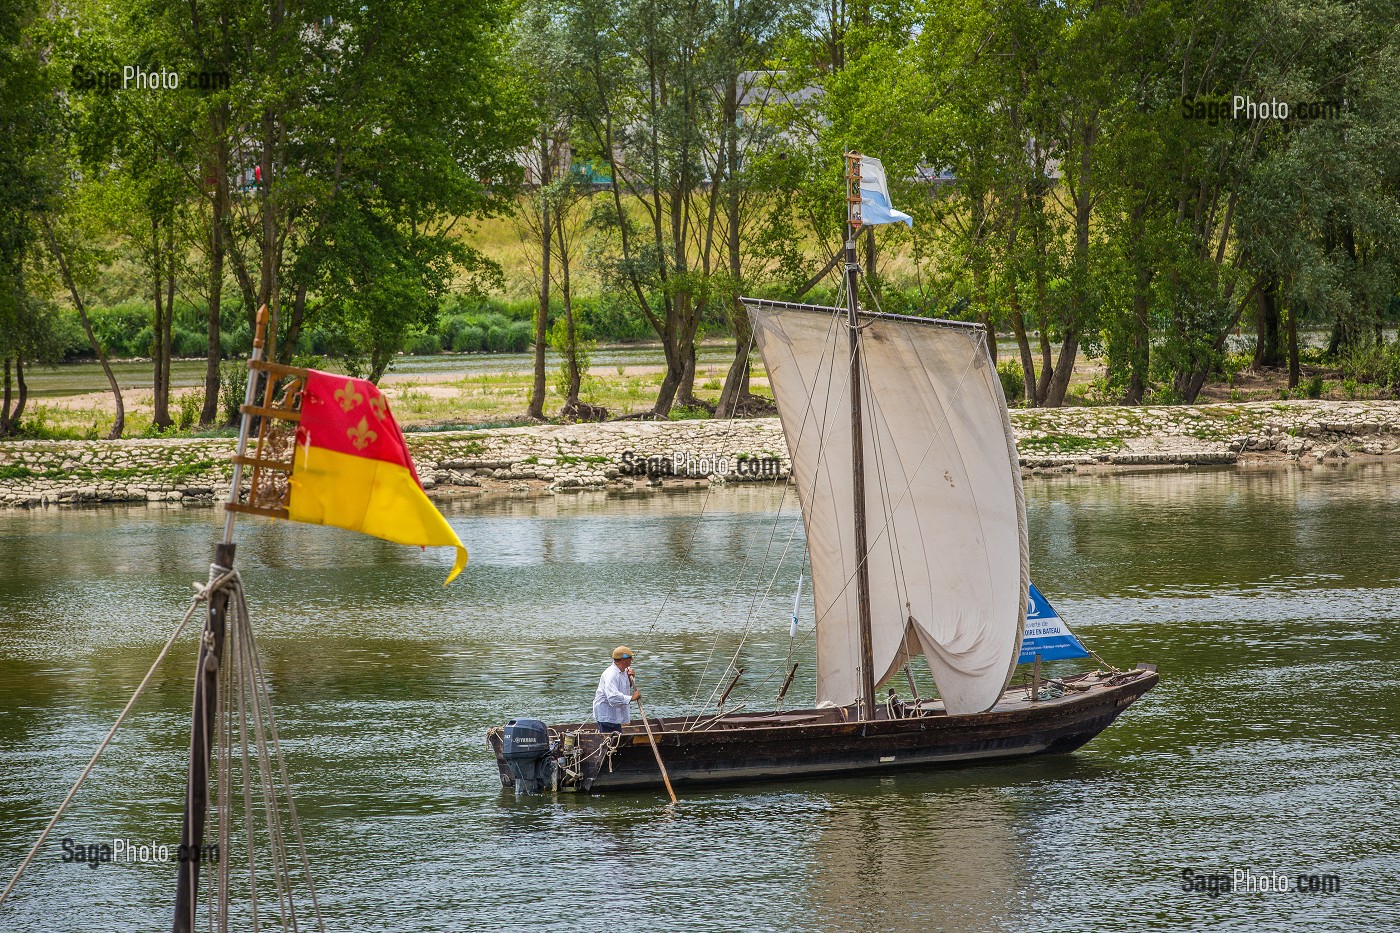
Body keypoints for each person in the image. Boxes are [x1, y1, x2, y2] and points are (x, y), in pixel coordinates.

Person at [593, 646, 640, 733]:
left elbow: (624, 687)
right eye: (630, 658)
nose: (632, 660)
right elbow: (613, 697)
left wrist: (631, 679)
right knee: (610, 741)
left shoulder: (624, 671)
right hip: (607, 715)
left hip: (616, 715)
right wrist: (631, 698)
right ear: (624, 660)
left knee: (617, 739)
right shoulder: (611, 674)